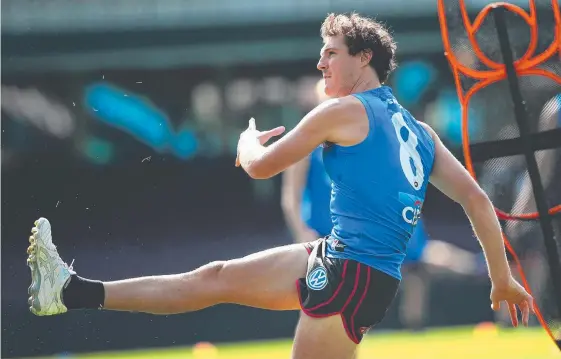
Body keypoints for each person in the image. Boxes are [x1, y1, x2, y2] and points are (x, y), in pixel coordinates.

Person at [27, 13, 534, 359]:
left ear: (363, 59)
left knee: (214, 283)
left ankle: (70, 291)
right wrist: (500, 278)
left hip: (351, 273)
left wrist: (247, 143)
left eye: (330, 53)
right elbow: (476, 199)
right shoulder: (419, 132)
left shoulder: (341, 110)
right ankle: (72, 290)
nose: (320, 63)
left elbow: (260, 167)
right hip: (342, 261)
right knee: (214, 277)